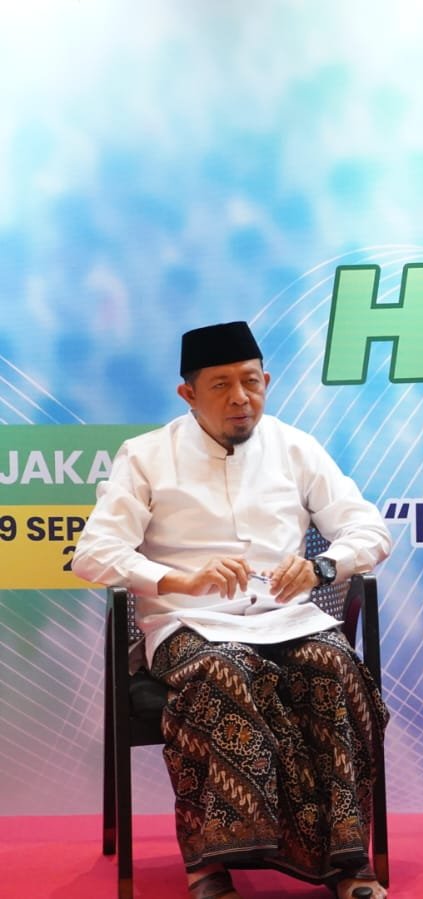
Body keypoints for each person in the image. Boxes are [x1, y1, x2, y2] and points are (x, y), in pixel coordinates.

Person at [72, 321, 393, 899]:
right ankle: (210, 864)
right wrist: (176, 579)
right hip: (187, 624)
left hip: (286, 618)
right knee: (223, 671)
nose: (241, 397)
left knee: (334, 666)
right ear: (188, 394)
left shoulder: (296, 448)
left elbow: (369, 530)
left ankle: (346, 858)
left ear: (267, 381)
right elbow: (94, 554)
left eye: (251, 381)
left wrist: (324, 567)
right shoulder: (145, 457)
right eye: (221, 385)